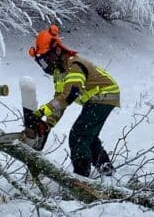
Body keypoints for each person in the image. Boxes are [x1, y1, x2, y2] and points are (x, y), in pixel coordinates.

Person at [26, 25, 120, 177]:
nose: (46, 65)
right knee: (88, 136)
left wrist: (41, 112)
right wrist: (47, 123)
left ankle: (81, 178)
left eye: (46, 59)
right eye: (42, 62)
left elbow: (69, 96)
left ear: (57, 50)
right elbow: (59, 102)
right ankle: (106, 170)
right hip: (95, 99)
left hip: (105, 95)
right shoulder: (59, 74)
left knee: (79, 135)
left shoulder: (74, 65)